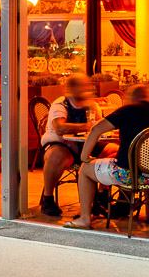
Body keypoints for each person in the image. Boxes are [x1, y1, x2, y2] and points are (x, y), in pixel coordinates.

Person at [64, 83, 149, 230]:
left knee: (85, 170)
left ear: (130, 98)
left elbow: (96, 129)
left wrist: (85, 157)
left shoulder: (128, 110)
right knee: (117, 158)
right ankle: (148, 214)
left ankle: (85, 219)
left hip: (128, 175)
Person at [37, 74, 102, 217]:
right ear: (72, 89)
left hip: (88, 145)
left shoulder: (92, 105)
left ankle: (101, 198)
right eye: (83, 86)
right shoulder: (61, 104)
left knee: (113, 151)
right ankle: (47, 199)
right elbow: (59, 127)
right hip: (63, 145)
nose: (87, 89)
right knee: (57, 156)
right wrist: (87, 126)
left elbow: (99, 125)